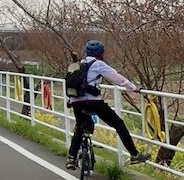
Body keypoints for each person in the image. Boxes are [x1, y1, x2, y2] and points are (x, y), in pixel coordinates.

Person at [65, 40, 151, 170]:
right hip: (94, 102)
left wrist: (69, 100)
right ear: (101, 53)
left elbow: (69, 83)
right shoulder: (98, 64)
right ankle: (134, 154)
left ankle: (71, 159)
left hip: (76, 101)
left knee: (80, 126)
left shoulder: (78, 64)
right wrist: (133, 88)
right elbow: (118, 78)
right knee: (118, 124)